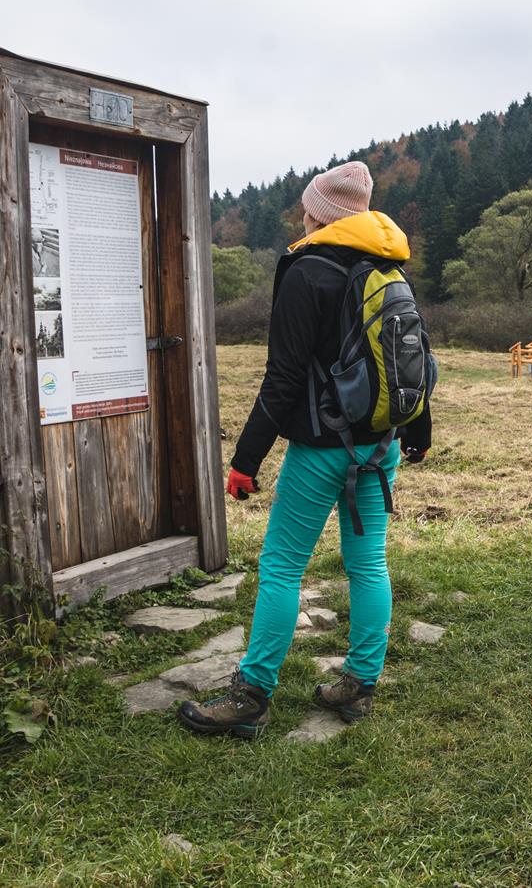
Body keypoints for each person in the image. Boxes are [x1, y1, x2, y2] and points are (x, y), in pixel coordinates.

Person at [178, 161, 432, 738]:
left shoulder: (307, 268)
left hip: (321, 449)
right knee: (368, 563)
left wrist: (245, 460)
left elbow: (284, 377)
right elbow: (410, 356)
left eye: (306, 208)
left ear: (319, 213)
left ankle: (252, 696)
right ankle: (359, 685)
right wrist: (418, 427)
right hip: (380, 444)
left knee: (282, 565)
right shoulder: (390, 265)